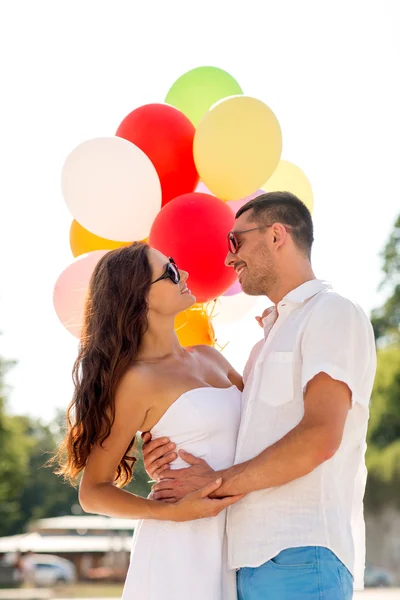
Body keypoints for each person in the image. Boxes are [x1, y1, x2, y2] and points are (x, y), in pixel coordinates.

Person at [144, 191, 377, 600]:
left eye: (236, 241)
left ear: (276, 235)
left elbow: (320, 437)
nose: (228, 259)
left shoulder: (332, 312)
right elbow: (241, 438)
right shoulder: (265, 341)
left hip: (302, 554)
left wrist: (213, 481)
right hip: (247, 562)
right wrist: (170, 450)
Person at [55, 242, 244, 600]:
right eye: (170, 273)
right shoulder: (135, 382)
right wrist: (169, 513)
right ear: (139, 297)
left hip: (239, 541)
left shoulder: (210, 357)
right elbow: (92, 491)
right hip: (179, 550)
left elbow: (261, 425)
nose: (184, 274)